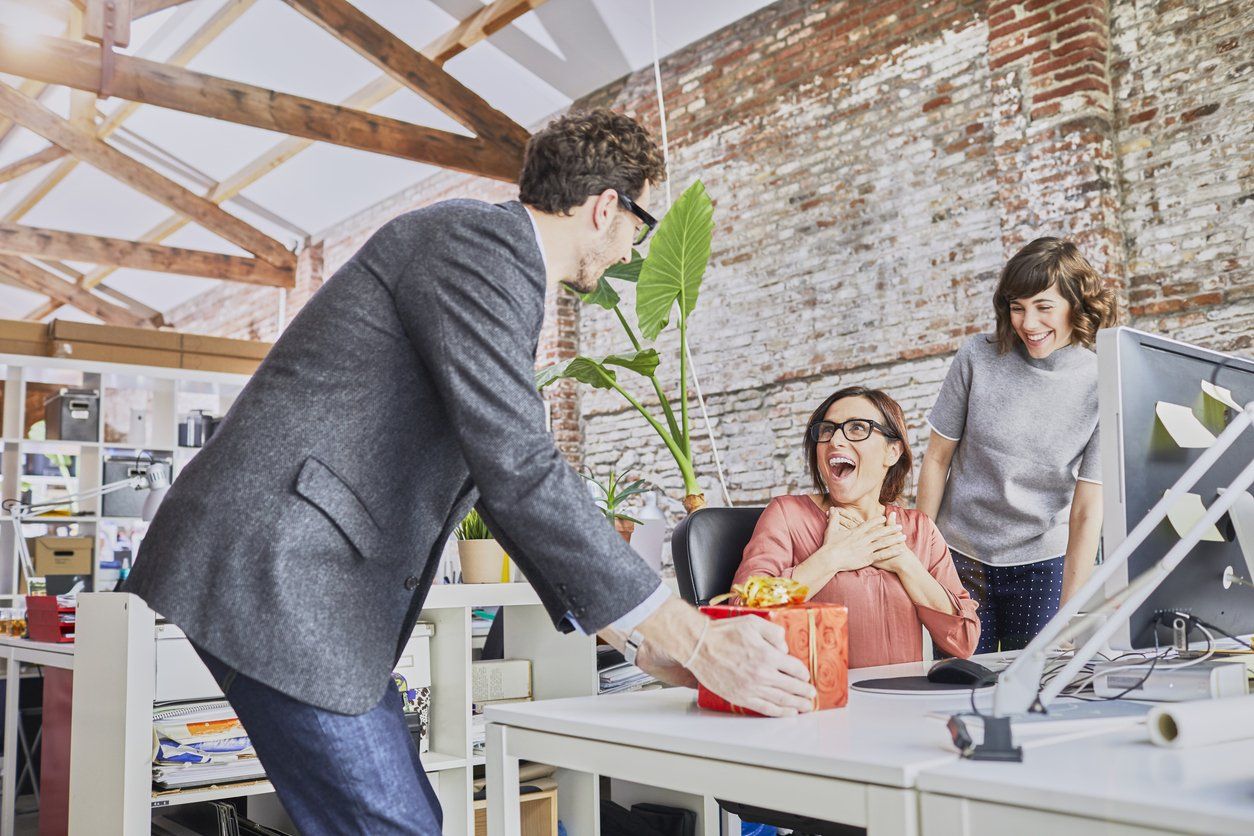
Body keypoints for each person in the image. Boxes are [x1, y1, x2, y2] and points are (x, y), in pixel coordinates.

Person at [125, 109, 815, 835]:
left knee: (402, 818)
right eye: (638, 225)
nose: (632, 250)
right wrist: (695, 637)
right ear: (606, 207)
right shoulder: (480, 244)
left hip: (299, 583)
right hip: (278, 572)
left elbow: (497, 473)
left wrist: (640, 643)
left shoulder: (489, 263)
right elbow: (518, 463)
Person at [916, 237, 1119, 654]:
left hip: (1041, 564)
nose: (1028, 323)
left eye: (1044, 307)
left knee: (1036, 688)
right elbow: (937, 459)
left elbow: (1087, 509)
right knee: (963, 683)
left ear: (1074, 305)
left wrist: (1070, 612)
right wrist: (923, 554)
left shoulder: (1102, 382)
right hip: (960, 556)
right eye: (1017, 307)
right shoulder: (977, 356)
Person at [733, 387, 979, 667]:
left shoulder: (919, 530)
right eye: (827, 430)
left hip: (902, 703)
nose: (835, 439)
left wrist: (905, 564)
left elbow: (963, 641)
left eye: (858, 428)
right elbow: (745, 616)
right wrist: (833, 557)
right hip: (820, 705)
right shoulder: (787, 515)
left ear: (892, 451)